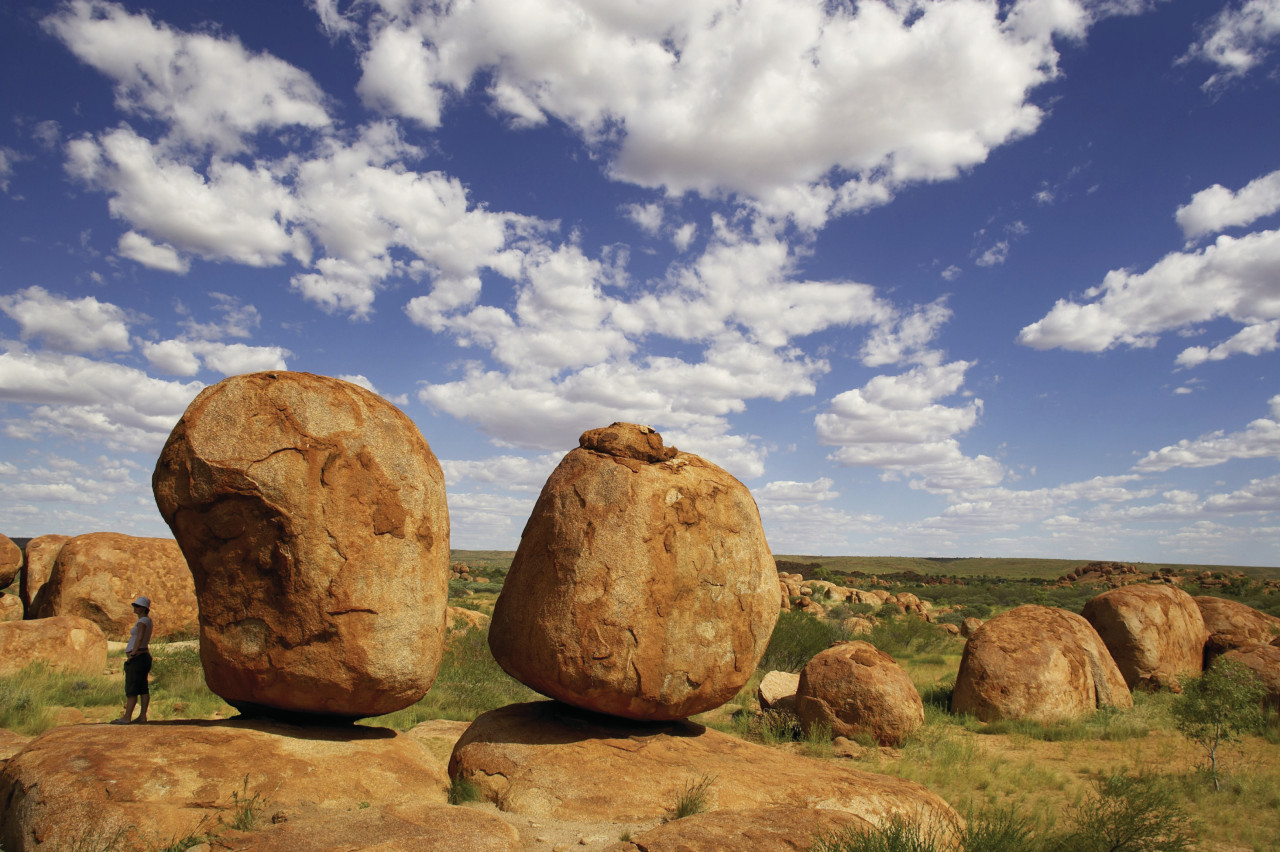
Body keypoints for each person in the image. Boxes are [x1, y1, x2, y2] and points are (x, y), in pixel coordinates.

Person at [111, 596, 153, 725]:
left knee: (132, 688)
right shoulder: (147, 620)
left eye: (137, 606)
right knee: (143, 687)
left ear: (143, 609)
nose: (134, 608)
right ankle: (142, 716)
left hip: (138, 657)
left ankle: (127, 717)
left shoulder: (142, 622)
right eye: (135, 605)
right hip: (144, 657)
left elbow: (139, 637)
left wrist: (133, 654)